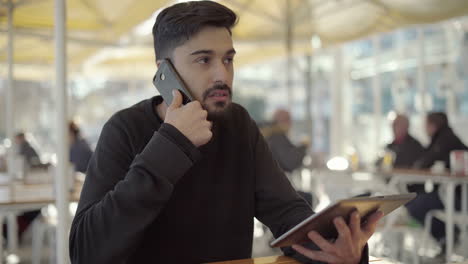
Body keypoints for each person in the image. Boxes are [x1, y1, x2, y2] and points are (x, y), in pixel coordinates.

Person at [69, 2, 382, 263]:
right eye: (204, 60)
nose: (223, 74)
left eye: (228, 59)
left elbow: (286, 212)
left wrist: (339, 247)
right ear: (164, 71)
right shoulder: (125, 129)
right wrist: (170, 145)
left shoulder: (238, 125)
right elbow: (86, 252)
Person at [407, 112, 468, 256]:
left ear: (432, 125)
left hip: (458, 197)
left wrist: (416, 166)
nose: (424, 129)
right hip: (453, 194)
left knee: (414, 204)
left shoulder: (444, 139)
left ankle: (448, 237)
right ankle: (447, 237)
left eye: (426, 125)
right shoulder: (447, 137)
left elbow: (426, 161)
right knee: (420, 202)